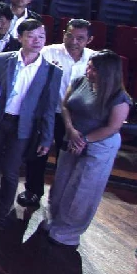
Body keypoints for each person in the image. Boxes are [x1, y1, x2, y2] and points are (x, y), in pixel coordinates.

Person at [0, 19, 60, 228]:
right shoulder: (2, 59)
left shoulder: (52, 71)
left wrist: (47, 138)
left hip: (23, 125)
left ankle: (3, 211)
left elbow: (49, 108)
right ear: (20, 37)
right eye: (31, 36)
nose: (37, 41)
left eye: (41, 37)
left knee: (10, 170)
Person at [47, 51, 130, 246]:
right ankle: (54, 220)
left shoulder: (119, 97)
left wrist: (83, 140)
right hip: (73, 137)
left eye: (94, 69)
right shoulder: (79, 81)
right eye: (89, 66)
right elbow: (65, 106)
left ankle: (68, 232)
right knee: (62, 183)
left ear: (107, 73)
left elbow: (112, 127)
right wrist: (71, 130)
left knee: (82, 189)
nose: (88, 71)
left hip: (99, 144)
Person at [22, 19, 98, 207]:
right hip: (48, 113)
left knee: (67, 159)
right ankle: (33, 191)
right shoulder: (48, 52)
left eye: (80, 38)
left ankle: (59, 197)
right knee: (38, 154)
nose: (73, 42)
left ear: (89, 40)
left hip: (75, 119)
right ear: (64, 34)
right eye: (69, 36)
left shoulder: (94, 59)